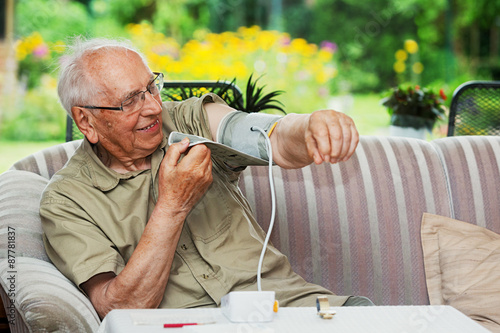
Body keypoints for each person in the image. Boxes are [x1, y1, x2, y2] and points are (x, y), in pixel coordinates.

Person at [40, 37, 372, 320]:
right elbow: (120, 307)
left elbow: (274, 139)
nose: (154, 107)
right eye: (130, 100)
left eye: (151, 88)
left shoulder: (191, 119)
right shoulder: (67, 200)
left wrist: (309, 125)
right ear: (86, 121)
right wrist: (173, 205)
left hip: (286, 310)